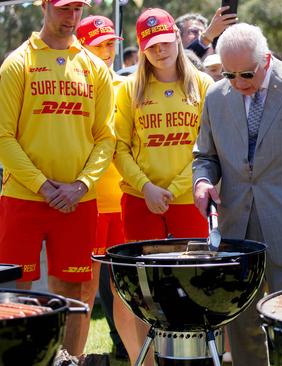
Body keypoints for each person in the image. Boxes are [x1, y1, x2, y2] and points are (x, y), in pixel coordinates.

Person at [193, 23, 282, 366]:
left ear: (267, 59)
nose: (239, 83)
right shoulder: (216, 96)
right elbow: (205, 157)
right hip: (236, 227)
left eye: (246, 73)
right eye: (229, 74)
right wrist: (202, 182)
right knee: (242, 324)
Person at [0, 0, 115, 356]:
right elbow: (4, 136)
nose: (72, 17)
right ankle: (21, 358)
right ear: (45, 7)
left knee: (75, 292)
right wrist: (42, 185)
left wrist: (80, 185)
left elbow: (106, 137)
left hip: (77, 201)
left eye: (78, 9)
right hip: (24, 197)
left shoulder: (95, 67)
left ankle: (68, 361)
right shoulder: (18, 62)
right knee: (15, 291)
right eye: (64, 8)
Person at [113, 8, 214, 363]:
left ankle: (196, 357)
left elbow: (209, 146)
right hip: (142, 200)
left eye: (165, 41)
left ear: (176, 35)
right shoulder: (130, 89)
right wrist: (146, 188)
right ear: (142, 48)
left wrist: (174, 186)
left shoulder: (203, 84)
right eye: (151, 45)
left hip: (190, 201)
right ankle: (149, 361)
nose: (161, 50)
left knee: (196, 286)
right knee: (142, 293)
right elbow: (119, 148)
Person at [75, 14, 127, 360]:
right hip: (89, 202)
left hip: (123, 201)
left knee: (125, 287)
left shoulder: (125, 86)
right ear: (82, 47)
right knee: (85, 287)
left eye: (111, 44)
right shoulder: (75, 87)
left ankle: (133, 352)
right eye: (100, 44)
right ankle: (73, 355)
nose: (108, 52)